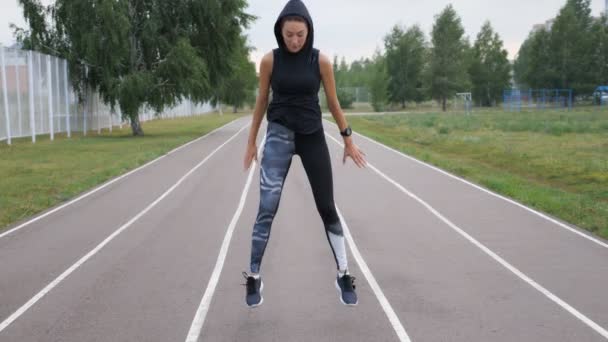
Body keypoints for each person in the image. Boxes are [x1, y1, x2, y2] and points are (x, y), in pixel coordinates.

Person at [242, 0, 367, 308]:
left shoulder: (321, 61)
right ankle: (254, 276)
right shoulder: (270, 61)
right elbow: (261, 102)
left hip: (312, 137)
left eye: (300, 34)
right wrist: (251, 141)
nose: (294, 40)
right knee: (266, 208)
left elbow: (334, 103)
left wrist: (348, 139)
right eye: (289, 35)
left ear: (309, 31)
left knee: (327, 206)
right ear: (279, 32)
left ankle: (343, 274)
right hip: (279, 136)